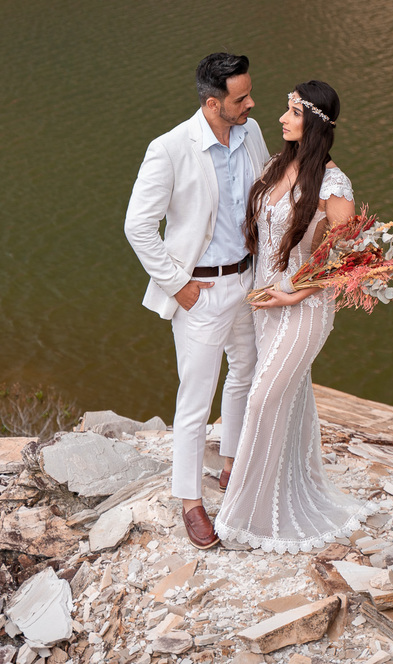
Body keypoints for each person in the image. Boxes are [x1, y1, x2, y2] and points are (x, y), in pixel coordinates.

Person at [214, 80, 373, 553]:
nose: (282, 119)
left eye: (293, 112)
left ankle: (246, 516)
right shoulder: (275, 166)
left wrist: (294, 294)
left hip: (302, 311)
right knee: (288, 398)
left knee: (262, 400)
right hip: (265, 307)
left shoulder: (334, 185)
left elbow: (354, 263)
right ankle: (283, 487)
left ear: (316, 123)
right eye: (286, 110)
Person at [124, 52, 269, 550]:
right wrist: (176, 284)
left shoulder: (250, 133)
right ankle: (189, 500)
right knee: (196, 396)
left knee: (247, 374)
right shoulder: (168, 149)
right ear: (213, 104)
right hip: (200, 291)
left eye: (248, 93)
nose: (251, 103)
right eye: (241, 98)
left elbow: (266, 194)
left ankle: (231, 466)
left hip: (249, 282)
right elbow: (137, 226)